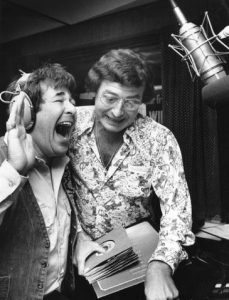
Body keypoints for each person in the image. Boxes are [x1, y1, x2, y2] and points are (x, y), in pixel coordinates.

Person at [69, 49, 195, 300]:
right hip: (80, 264)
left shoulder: (159, 139)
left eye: (131, 101)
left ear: (142, 100)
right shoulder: (69, 124)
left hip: (137, 261)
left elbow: (176, 211)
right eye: (110, 98)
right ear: (94, 90)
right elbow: (58, 186)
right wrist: (77, 235)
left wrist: (161, 264)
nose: (118, 112)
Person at [0, 63, 78, 300]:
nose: (73, 108)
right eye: (59, 99)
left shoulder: (63, 163)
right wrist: (13, 170)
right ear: (26, 112)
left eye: (71, 100)